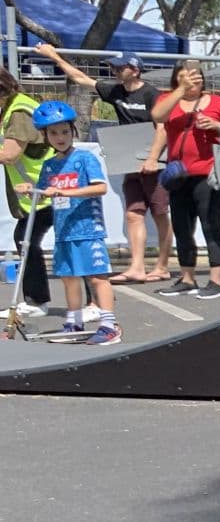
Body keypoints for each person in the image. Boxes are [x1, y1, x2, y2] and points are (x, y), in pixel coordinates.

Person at [36, 45, 174, 284]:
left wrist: (153, 158)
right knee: (133, 213)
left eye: (120, 67)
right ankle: (137, 267)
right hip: (129, 160)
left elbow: (162, 128)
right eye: (113, 66)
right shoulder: (115, 91)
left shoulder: (152, 95)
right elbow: (80, 78)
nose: (115, 70)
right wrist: (53, 56)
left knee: (160, 213)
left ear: (135, 69)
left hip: (154, 162)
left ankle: (162, 265)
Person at [144, 62, 220, 299]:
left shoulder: (217, 102)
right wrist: (180, 90)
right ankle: (187, 278)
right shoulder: (168, 100)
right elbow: (157, 116)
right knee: (182, 226)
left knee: (211, 224)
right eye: (185, 76)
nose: (193, 80)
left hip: (209, 173)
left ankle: (216, 281)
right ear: (176, 79)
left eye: (196, 76)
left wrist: (218, 125)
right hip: (178, 174)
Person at [30, 101, 119, 344]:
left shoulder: (85, 158)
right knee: (69, 277)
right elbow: (45, 191)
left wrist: (67, 193)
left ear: (73, 132)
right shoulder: (49, 165)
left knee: (97, 276)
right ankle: (74, 322)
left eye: (65, 131)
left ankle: (109, 325)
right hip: (63, 230)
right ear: (45, 136)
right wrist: (30, 190)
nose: (60, 137)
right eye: (53, 133)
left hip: (88, 229)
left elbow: (100, 188)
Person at [0, 66, 55, 319]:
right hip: (35, 192)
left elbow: (10, 154)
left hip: (50, 189)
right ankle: (36, 300)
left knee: (28, 240)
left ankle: (37, 301)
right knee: (26, 239)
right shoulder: (10, 108)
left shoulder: (20, 111)